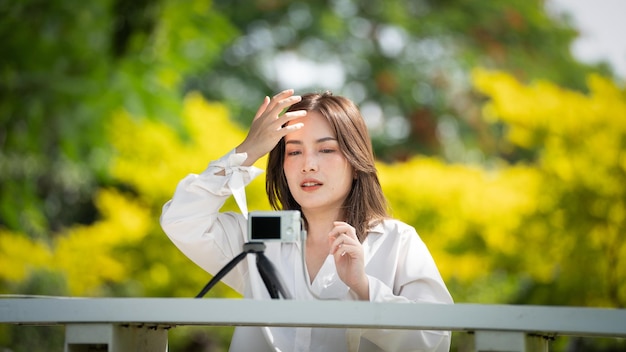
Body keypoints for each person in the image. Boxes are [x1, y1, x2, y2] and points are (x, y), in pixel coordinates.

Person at [160, 89, 453, 352]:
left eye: (326, 149)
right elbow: (182, 219)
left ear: (355, 161)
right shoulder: (259, 240)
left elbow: (435, 339)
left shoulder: (395, 241)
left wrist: (363, 287)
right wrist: (247, 151)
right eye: (294, 151)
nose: (308, 164)